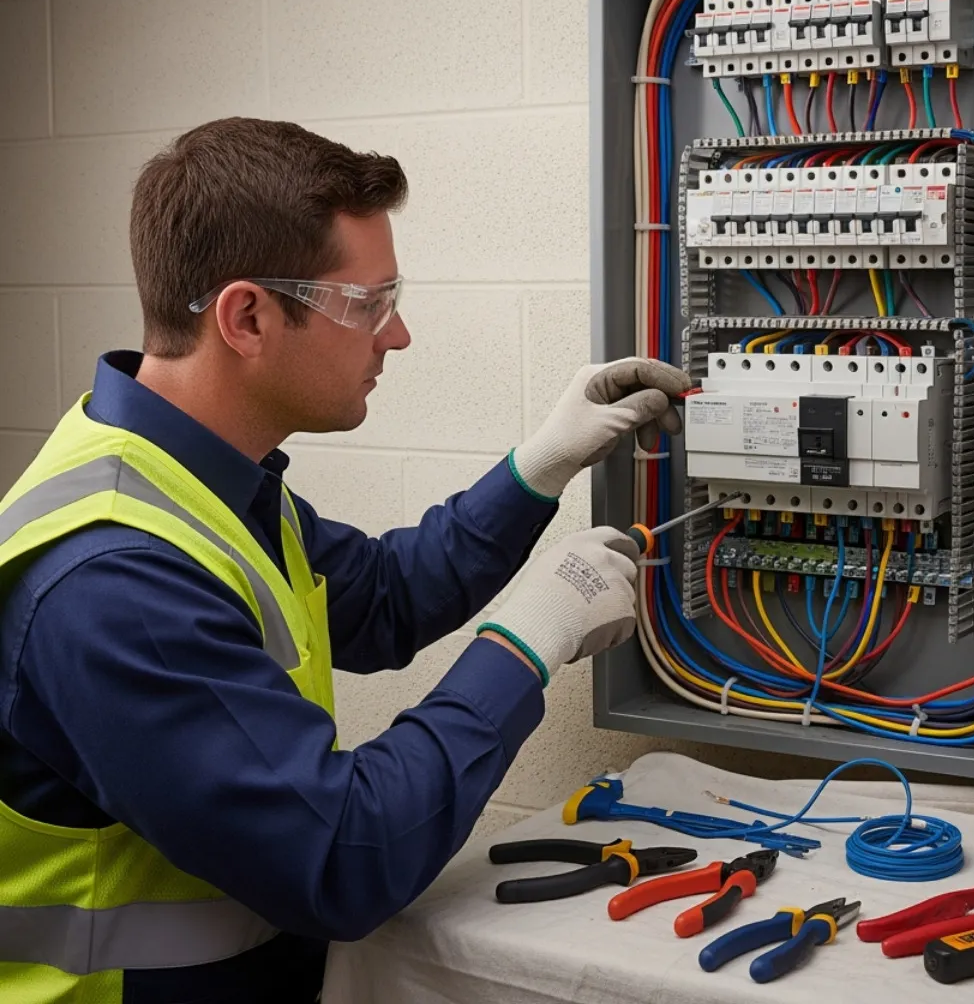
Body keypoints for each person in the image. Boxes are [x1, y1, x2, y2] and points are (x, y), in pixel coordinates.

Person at [0, 117, 691, 1003]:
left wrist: (537, 467)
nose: (395, 336)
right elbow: (341, 856)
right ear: (247, 316)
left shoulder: (195, 481)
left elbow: (379, 598)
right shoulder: (114, 582)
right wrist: (532, 636)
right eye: (367, 304)